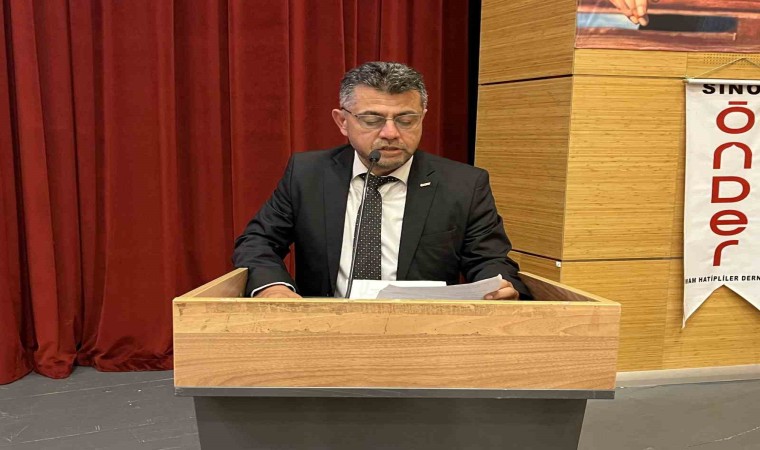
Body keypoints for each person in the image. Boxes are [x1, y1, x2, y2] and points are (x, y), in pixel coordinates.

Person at [233, 61, 531, 300]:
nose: (390, 133)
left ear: (422, 118)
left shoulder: (463, 184)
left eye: (406, 120)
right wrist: (274, 288)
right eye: (372, 120)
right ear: (342, 121)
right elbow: (259, 241)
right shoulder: (308, 174)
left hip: (423, 333)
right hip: (323, 330)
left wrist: (499, 287)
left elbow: (490, 260)